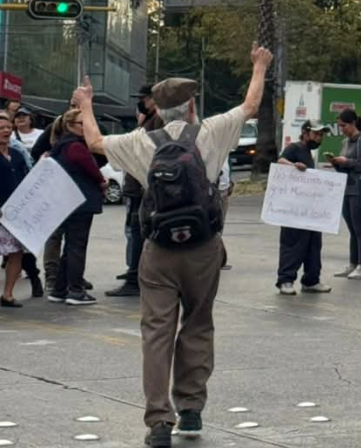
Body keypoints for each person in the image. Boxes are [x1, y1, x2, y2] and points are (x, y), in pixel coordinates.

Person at [71, 43, 273, 447]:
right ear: (192, 106)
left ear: (158, 110)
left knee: (156, 331)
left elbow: (93, 142)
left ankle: (159, 421)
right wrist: (259, 65)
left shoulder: (141, 142)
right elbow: (251, 105)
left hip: (159, 250)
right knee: (198, 324)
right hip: (203, 247)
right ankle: (192, 410)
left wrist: (86, 102)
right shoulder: (212, 132)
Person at [46, 109, 107, 306]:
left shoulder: (60, 145)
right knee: (77, 247)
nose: (86, 126)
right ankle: (75, 291)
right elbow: (94, 171)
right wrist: (101, 182)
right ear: (72, 125)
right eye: (83, 123)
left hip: (67, 201)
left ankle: (59, 289)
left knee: (70, 246)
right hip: (80, 202)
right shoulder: (76, 146)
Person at [107, 86, 162, 298]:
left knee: (139, 232)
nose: (140, 103)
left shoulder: (157, 120)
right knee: (134, 231)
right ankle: (136, 272)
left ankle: (136, 277)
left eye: (144, 99)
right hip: (135, 186)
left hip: (142, 187)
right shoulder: (149, 120)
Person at [275, 121, 332, 295]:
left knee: (314, 245)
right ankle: (285, 280)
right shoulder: (295, 148)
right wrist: (294, 166)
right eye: (315, 134)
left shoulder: (308, 152)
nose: (318, 137)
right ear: (305, 133)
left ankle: (311, 280)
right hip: (294, 210)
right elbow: (280, 160)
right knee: (292, 244)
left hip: (309, 210)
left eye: (321, 135)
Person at [329, 109, 361, 280]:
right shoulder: (346, 141)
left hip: (359, 190)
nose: (342, 129)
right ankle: (353, 263)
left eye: (344, 125)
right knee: (352, 229)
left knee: (360, 228)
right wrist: (336, 163)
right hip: (346, 189)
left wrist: (346, 162)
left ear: (353, 123)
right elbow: (345, 164)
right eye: (340, 126)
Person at [0, 113, 30, 308]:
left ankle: (8, 295)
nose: (6, 130)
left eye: (8, 127)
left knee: (16, 254)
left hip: (15, 215)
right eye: (1, 128)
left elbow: (28, 179)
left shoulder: (18, 154)